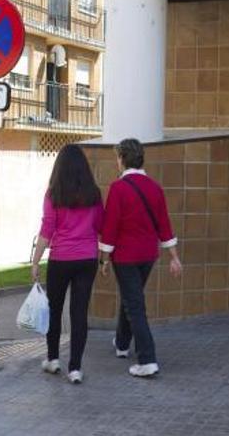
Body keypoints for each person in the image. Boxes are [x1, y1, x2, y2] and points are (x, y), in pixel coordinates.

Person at [99, 138, 183, 378]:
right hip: (148, 255)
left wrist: (104, 258)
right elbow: (164, 225)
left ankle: (147, 359)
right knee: (131, 297)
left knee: (134, 305)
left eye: (117, 157)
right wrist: (174, 257)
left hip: (125, 256)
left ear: (123, 159)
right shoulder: (155, 187)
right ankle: (122, 344)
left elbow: (110, 226)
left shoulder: (118, 188)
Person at [31, 144, 104, 384]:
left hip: (60, 259)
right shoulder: (93, 193)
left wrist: (35, 261)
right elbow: (100, 226)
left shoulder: (54, 194)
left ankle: (53, 359)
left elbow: (46, 229)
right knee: (79, 312)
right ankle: (75, 368)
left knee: (54, 309)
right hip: (87, 259)